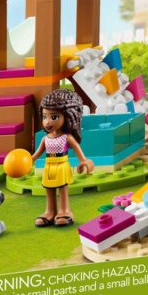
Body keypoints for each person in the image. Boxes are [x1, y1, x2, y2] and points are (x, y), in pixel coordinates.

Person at [30, 90, 95, 227]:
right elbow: (36, 154)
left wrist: (84, 161)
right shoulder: (45, 138)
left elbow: (78, 150)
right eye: (44, 117)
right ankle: (50, 211)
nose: (47, 122)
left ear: (68, 117)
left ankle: (65, 211)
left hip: (61, 165)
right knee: (49, 189)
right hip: (49, 166)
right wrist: (28, 161)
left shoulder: (66, 137)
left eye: (54, 117)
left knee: (62, 188)